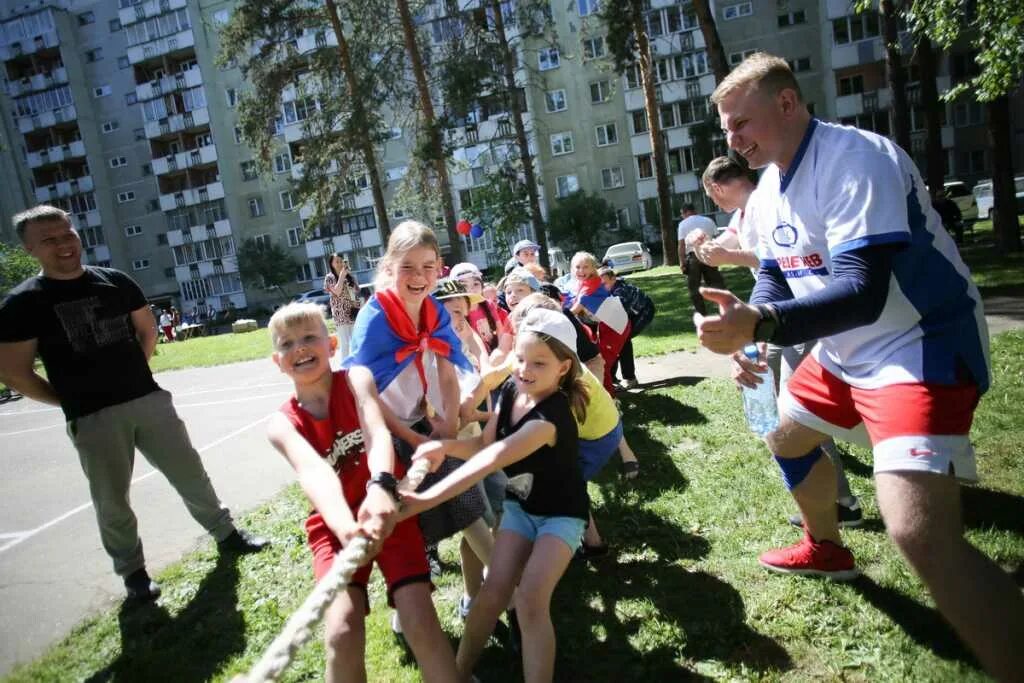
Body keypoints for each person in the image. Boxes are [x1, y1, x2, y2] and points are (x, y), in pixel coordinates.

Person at [698, 53, 1023, 680]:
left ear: (788, 104)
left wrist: (762, 325)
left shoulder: (856, 157)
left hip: (918, 345)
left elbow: (862, 289)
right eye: (727, 130)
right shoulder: (768, 189)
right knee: (786, 435)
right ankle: (825, 547)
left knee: (918, 535)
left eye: (742, 124)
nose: (733, 141)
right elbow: (773, 276)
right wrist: (753, 332)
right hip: (846, 351)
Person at [0, 205, 268, 601]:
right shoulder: (23, 304)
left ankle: (227, 534)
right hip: (92, 417)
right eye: (49, 239)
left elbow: (147, 330)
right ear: (30, 249)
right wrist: (68, 400)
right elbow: (14, 372)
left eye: (68, 233)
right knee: (112, 500)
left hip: (147, 400)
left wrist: (133, 373)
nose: (64, 244)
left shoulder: (114, 282)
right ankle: (134, 575)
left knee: (190, 471)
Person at [265, 302, 459, 683]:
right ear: (277, 361)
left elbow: (375, 431)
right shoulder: (281, 424)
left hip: (390, 509)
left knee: (419, 620)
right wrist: (346, 529)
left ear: (333, 343)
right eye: (287, 344)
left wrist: (381, 487)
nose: (300, 348)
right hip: (335, 528)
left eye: (309, 338)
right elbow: (316, 472)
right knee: (341, 633)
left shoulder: (357, 379)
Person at [401, 307, 591, 683]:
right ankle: (457, 673)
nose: (524, 370)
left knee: (531, 601)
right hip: (521, 509)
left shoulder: (548, 420)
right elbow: (482, 446)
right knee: (491, 595)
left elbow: (492, 459)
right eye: (520, 359)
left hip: (561, 516)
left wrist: (426, 499)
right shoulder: (508, 391)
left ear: (563, 369)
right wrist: (445, 448)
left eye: (539, 363)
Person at [699, 155, 863, 528]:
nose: (714, 203)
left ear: (719, 187)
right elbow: (732, 243)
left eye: (713, 195)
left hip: (795, 313)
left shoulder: (763, 202)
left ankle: (841, 500)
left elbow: (770, 256)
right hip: (778, 312)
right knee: (789, 403)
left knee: (802, 408)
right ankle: (835, 492)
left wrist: (726, 256)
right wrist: (705, 244)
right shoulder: (746, 211)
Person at [342, 220, 488, 636]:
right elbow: (363, 398)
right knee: (407, 530)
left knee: (465, 502)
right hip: (380, 435)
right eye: (408, 267)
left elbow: (444, 367)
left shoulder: (433, 310)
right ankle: (404, 616)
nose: (419, 277)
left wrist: (445, 421)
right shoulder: (375, 320)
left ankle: (505, 592)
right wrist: (414, 439)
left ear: (440, 267)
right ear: (389, 267)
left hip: (421, 422)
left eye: (428, 266)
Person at [597, 267, 656, 390]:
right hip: (630, 313)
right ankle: (611, 377)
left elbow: (617, 313)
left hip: (643, 311)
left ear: (613, 279)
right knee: (617, 341)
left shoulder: (620, 291)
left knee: (623, 341)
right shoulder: (612, 288)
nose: (602, 287)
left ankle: (630, 378)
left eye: (604, 284)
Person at [677, 204, 726, 315]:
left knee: (694, 288)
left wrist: (682, 262)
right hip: (709, 253)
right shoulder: (708, 220)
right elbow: (716, 238)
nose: (682, 216)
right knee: (716, 283)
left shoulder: (682, 225)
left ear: (686, 212)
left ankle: (701, 314)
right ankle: (725, 308)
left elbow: (681, 245)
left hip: (693, 256)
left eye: (682, 214)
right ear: (695, 210)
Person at [325, 252, 360, 364]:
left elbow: (356, 291)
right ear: (331, 264)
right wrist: (341, 276)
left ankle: (358, 364)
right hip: (340, 315)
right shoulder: (329, 278)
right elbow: (337, 291)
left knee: (356, 341)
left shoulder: (347, 275)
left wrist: (351, 277)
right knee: (345, 343)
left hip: (352, 312)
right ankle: (345, 368)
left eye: (341, 261)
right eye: (337, 261)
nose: (340, 263)